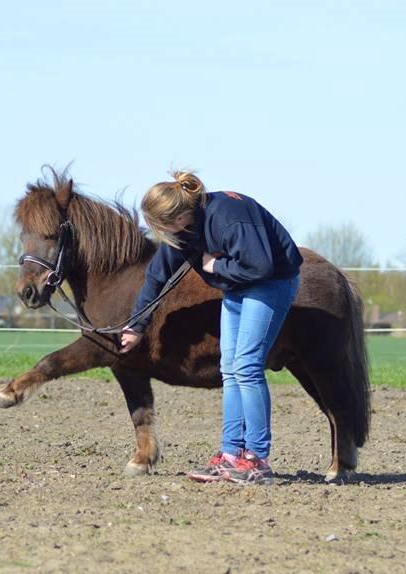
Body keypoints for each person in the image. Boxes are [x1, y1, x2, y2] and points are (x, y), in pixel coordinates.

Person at [119, 170, 302, 485]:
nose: (155, 233)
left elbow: (260, 266)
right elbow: (156, 277)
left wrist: (215, 266)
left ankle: (257, 459)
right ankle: (230, 455)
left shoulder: (228, 219)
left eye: (156, 226)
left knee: (247, 365)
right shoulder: (183, 232)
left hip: (271, 283)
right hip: (237, 286)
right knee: (229, 368)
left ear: (175, 219)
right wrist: (136, 326)